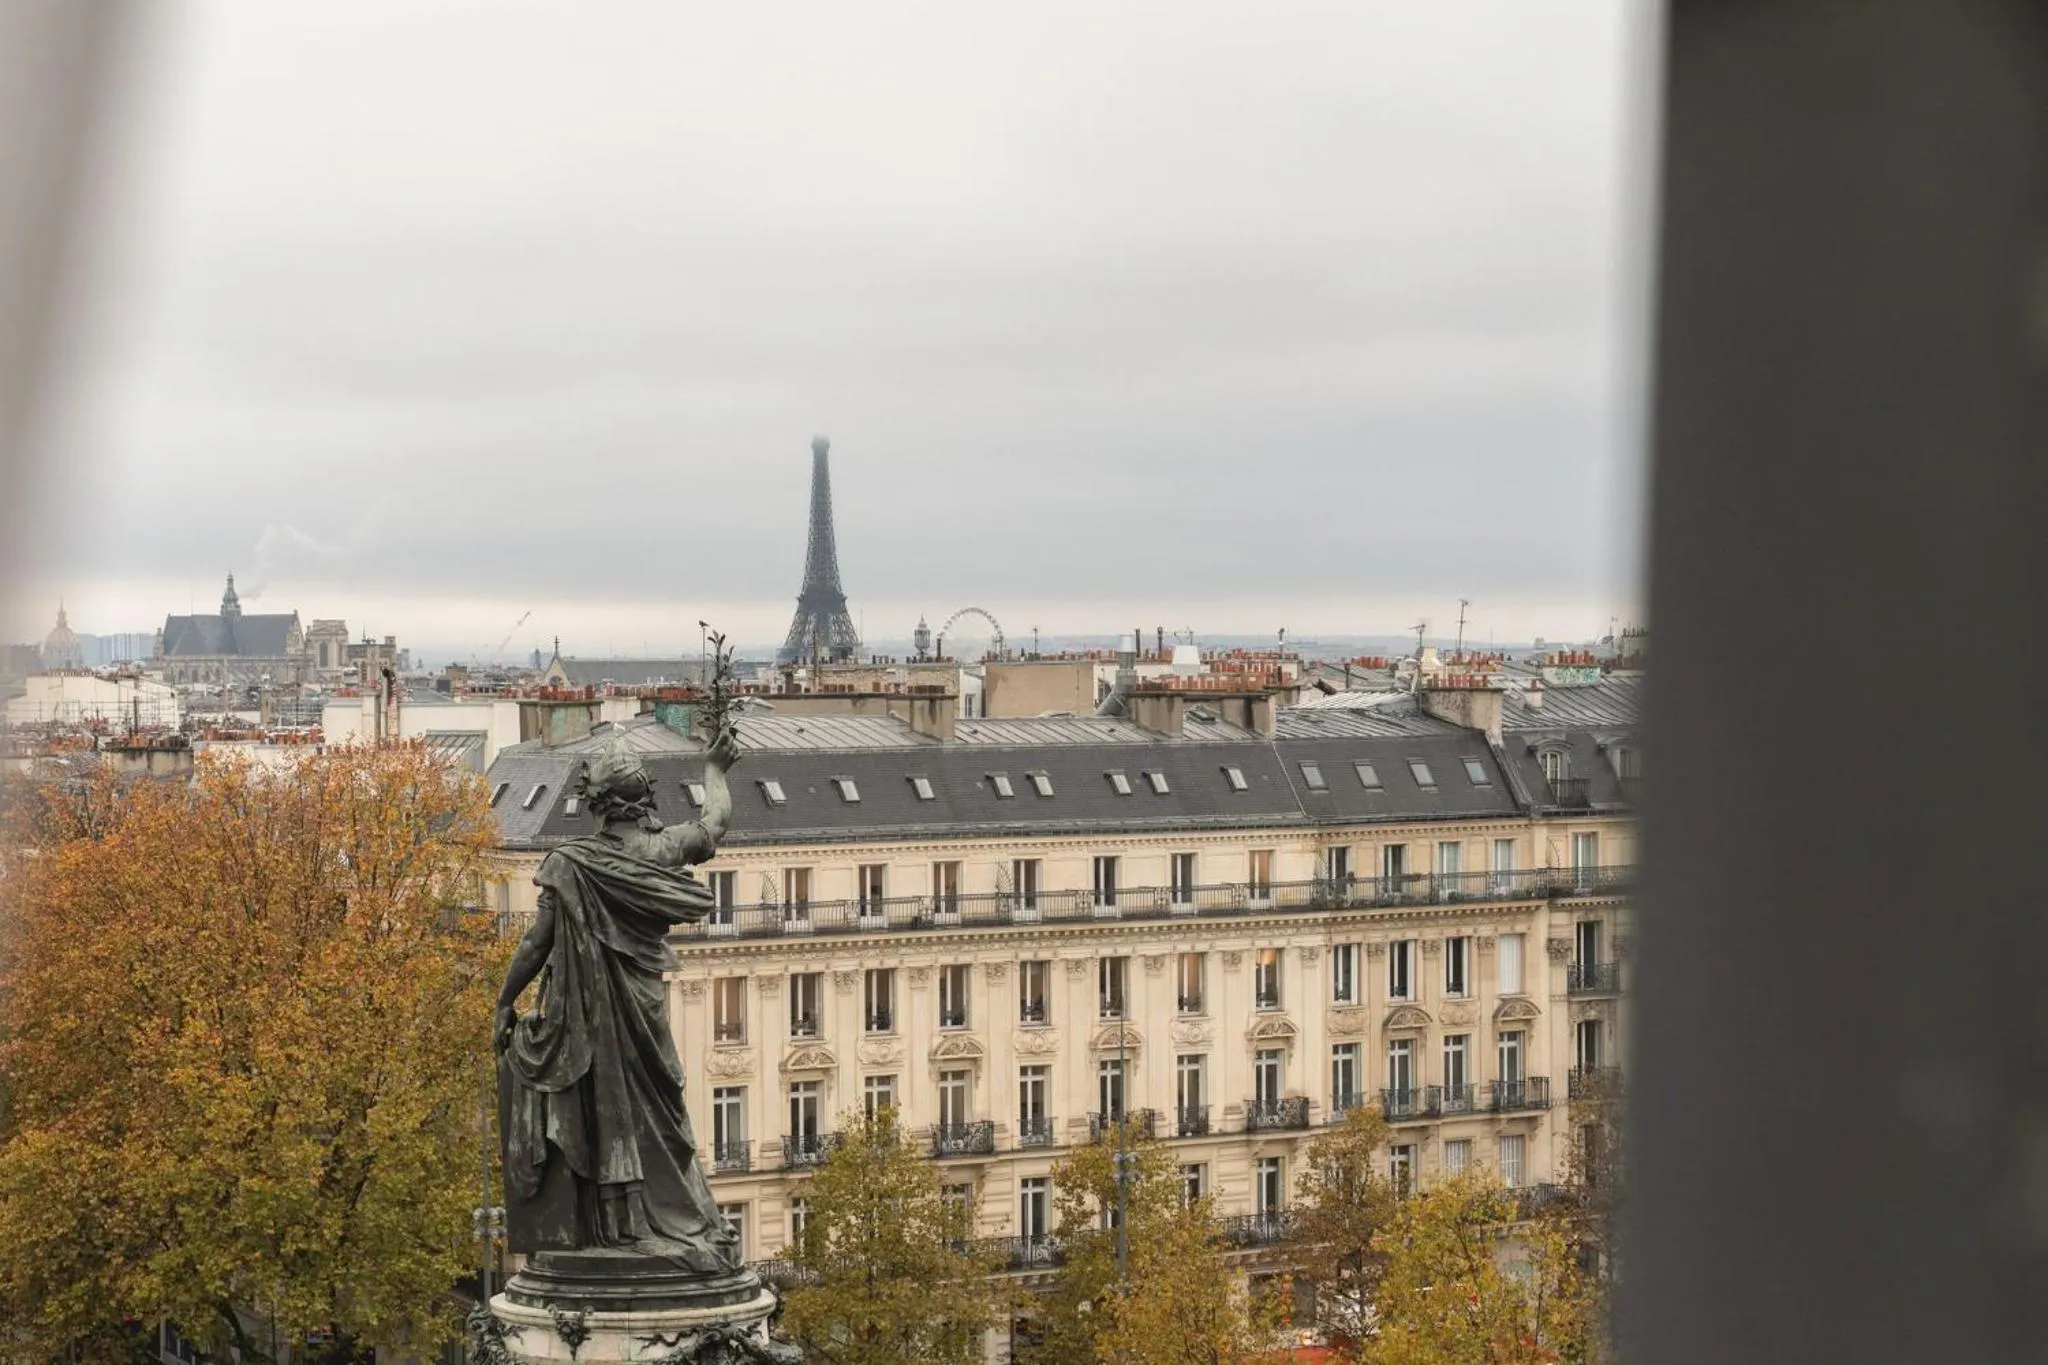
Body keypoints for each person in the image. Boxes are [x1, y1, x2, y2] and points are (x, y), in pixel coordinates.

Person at [494, 721, 742, 1269]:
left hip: (588, 1016)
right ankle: (661, 1222)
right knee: (659, 1107)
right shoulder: (659, 850)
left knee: (607, 1111)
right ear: (642, 802)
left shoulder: (568, 863)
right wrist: (713, 770)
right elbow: (714, 825)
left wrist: (504, 1002)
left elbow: (537, 943)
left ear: (596, 805)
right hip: (642, 1008)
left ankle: (613, 1226)